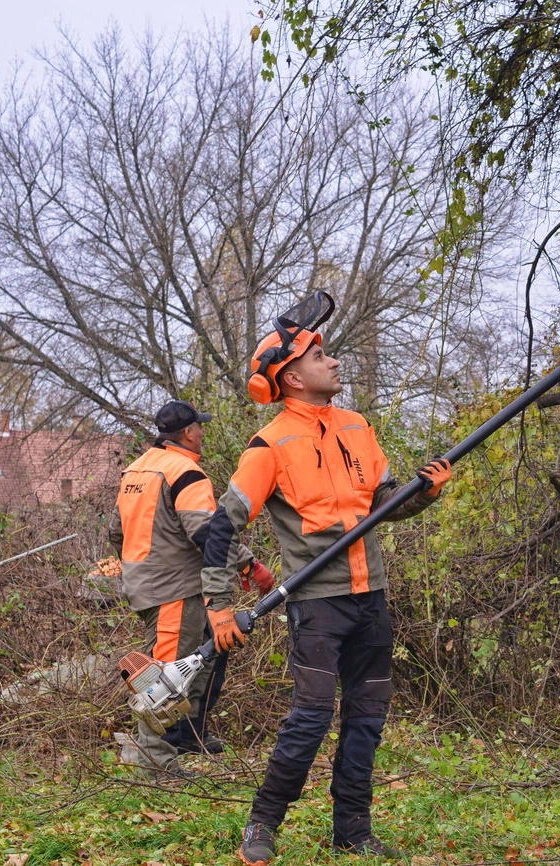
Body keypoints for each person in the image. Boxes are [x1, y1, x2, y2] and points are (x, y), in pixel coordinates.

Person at [200, 293, 451, 863]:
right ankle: (262, 825)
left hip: (372, 597)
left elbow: (384, 502)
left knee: (366, 717)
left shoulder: (357, 425)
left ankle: (353, 831)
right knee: (311, 717)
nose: (333, 363)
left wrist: (425, 493)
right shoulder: (269, 445)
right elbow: (221, 527)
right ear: (291, 378)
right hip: (316, 603)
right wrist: (219, 607)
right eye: (320, 356)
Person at [111, 400, 272, 777]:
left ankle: (188, 736)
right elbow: (207, 533)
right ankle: (155, 763)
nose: (202, 433)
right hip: (175, 589)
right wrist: (248, 563)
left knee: (204, 659)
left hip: (146, 584)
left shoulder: (135, 470)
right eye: (199, 427)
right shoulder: (185, 471)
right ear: (187, 433)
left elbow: (116, 534)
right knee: (165, 674)